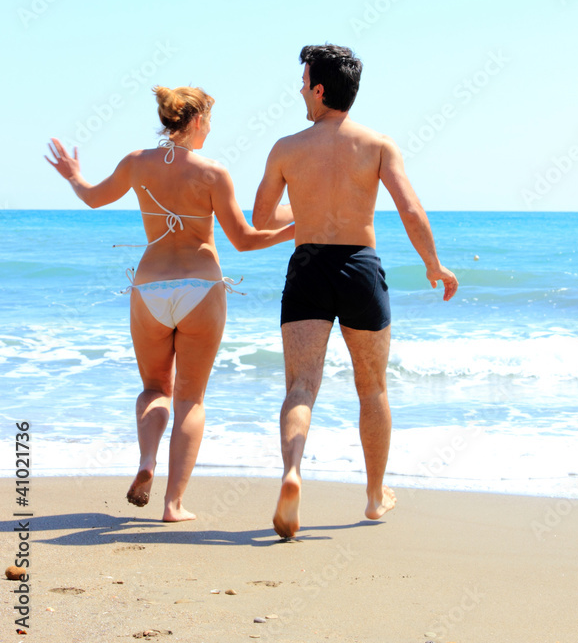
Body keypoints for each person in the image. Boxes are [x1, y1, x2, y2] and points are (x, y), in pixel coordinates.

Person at [46, 85, 294, 522]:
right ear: (197, 120)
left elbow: (92, 197)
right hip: (200, 288)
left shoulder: (136, 163)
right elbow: (245, 240)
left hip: (149, 288)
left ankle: (146, 460)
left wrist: (72, 174)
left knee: (154, 389)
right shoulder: (213, 171)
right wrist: (300, 225)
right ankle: (173, 505)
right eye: (211, 120)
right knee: (191, 400)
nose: (211, 128)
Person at [252, 45, 458, 538]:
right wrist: (434, 264)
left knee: (301, 385)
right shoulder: (379, 144)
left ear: (320, 89)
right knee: (373, 387)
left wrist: (308, 206)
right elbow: (410, 208)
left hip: (307, 268)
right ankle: (373, 495)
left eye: (304, 82)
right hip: (360, 268)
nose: (300, 89)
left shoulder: (286, 148)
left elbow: (260, 220)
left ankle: (292, 473)